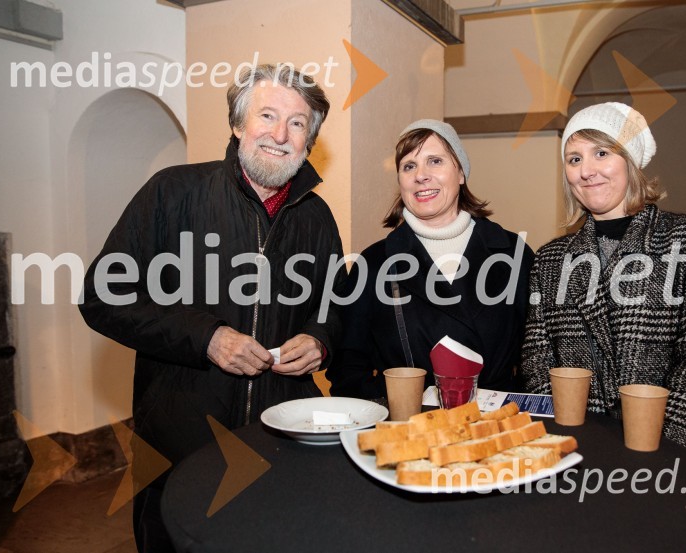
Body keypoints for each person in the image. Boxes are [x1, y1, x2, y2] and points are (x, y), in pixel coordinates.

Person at [79, 64, 345, 552]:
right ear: (237, 124)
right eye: (267, 115)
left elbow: (334, 304)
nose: (280, 134)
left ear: (310, 140)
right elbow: (102, 295)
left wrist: (320, 339)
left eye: (297, 123)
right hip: (180, 443)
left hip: (280, 442)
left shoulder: (318, 217)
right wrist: (206, 337)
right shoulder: (171, 192)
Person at [521, 102, 686, 468]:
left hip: (666, 457)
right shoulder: (550, 258)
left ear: (629, 161)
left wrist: (661, 451)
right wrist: (564, 439)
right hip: (576, 453)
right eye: (574, 159)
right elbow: (537, 360)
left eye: (601, 153)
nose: (587, 171)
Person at [328, 119, 533, 399]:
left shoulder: (513, 252)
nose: (420, 175)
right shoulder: (374, 263)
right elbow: (348, 367)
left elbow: (537, 354)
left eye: (435, 161)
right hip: (412, 429)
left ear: (460, 172)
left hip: (496, 425)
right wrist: (398, 404)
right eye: (409, 166)